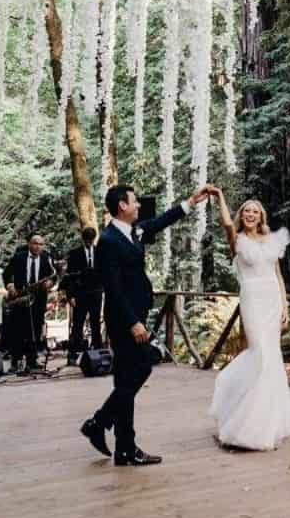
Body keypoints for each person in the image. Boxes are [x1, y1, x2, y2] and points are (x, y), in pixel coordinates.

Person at [80, 183, 211, 467]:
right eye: (134, 201)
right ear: (122, 206)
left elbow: (160, 221)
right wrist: (133, 323)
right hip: (124, 322)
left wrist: (190, 202)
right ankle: (113, 435)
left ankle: (111, 433)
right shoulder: (109, 241)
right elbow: (113, 290)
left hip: (136, 316)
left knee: (130, 377)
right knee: (136, 372)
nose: (139, 205)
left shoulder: (133, 231)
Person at [208, 188, 290, 451]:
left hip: (272, 298)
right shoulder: (236, 238)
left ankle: (269, 422)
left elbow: (278, 275)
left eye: (254, 211)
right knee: (258, 352)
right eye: (246, 211)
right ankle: (234, 400)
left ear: (261, 216)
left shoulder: (271, 239)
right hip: (252, 298)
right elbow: (226, 222)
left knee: (271, 356)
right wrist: (219, 195)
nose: (250, 214)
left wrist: (285, 305)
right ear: (242, 215)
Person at [2, 233, 56, 373]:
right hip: (21, 297)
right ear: (29, 244)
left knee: (36, 329)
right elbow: (7, 273)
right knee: (18, 330)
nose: (38, 247)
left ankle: (32, 361)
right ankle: (16, 361)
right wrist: (10, 285)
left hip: (38, 299)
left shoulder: (46, 258)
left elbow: (53, 276)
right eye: (35, 243)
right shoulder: (19, 257)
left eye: (40, 244)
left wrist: (50, 283)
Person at [65, 227, 103, 363]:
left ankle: (98, 349)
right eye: (87, 240)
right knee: (77, 324)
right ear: (83, 239)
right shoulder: (75, 254)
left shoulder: (100, 252)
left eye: (91, 240)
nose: (89, 242)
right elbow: (69, 276)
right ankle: (73, 353)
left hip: (95, 293)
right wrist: (71, 296)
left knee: (95, 322)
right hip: (80, 293)